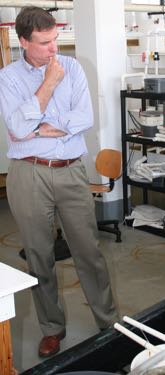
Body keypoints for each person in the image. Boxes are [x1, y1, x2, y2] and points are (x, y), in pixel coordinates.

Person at [0, 6, 118, 358]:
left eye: (56, 40)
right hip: (28, 173)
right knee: (39, 255)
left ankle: (109, 323)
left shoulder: (74, 67)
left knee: (89, 252)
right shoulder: (7, 78)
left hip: (70, 171)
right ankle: (52, 328)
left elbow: (84, 118)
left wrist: (43, 122)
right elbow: (17, 130)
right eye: (45, 43)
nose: (55, 50)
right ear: (23, 41)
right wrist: (49, 85)